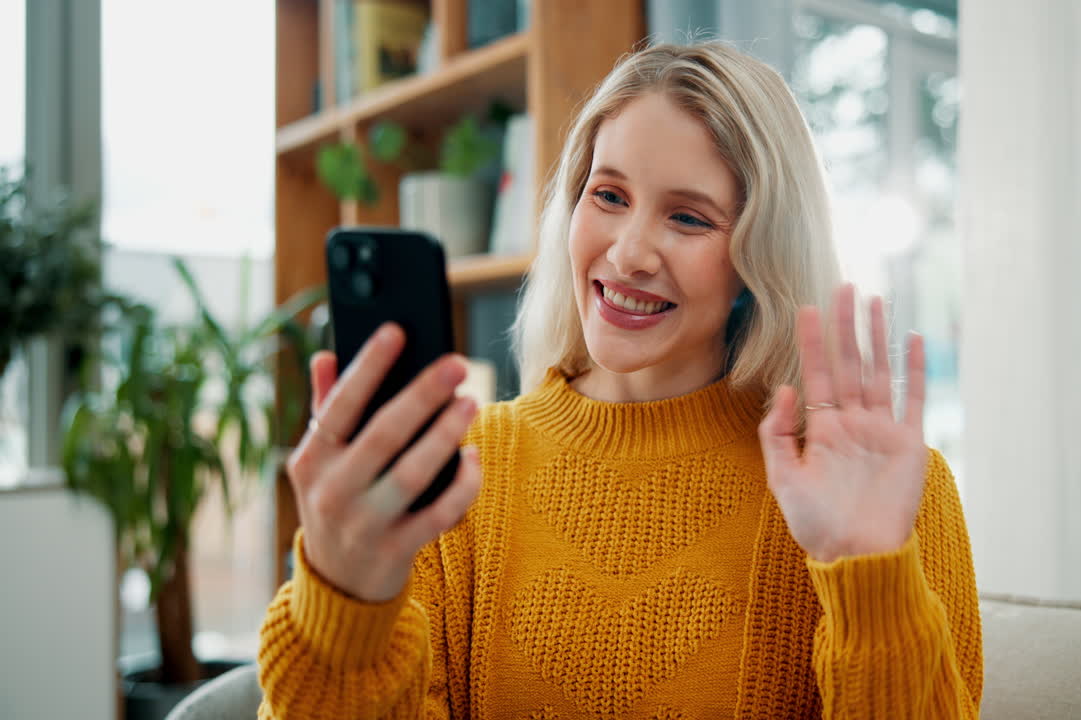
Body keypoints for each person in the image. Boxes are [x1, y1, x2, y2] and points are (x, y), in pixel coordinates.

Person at [257, 41, 982, 719]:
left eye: (688, 218)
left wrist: (866, 573)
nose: (629, 251)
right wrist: (343, 601)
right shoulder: (454, 474)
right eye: (608, 196)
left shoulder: (880, 487)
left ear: (761, 257)